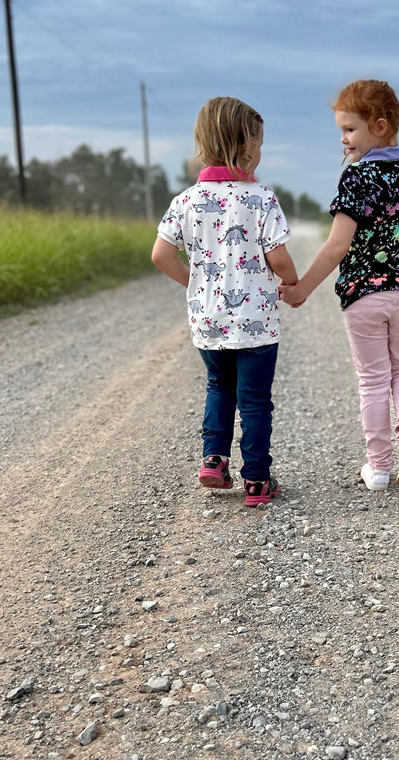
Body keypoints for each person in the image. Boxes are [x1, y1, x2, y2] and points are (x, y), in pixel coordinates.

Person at [279, 79, 399, 492]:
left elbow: (337, 245)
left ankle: (379, 468)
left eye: (349, 129)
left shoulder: (357, 178)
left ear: (379, 126)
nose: (343, 139)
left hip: (364, 295)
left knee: (373, 379)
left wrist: (301, 289)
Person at [152, 97, 298, 507]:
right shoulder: (261, 198)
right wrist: (291, 281)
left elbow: (161, 255)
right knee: (255, 401)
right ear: (245, 144)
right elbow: (278, 258)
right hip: (256, 325)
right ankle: (257, 481)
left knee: (219, 386)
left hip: (209, 321)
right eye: (260, 142)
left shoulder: (186, 201)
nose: (261, 150)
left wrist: (195, 283)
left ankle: (214, 460)